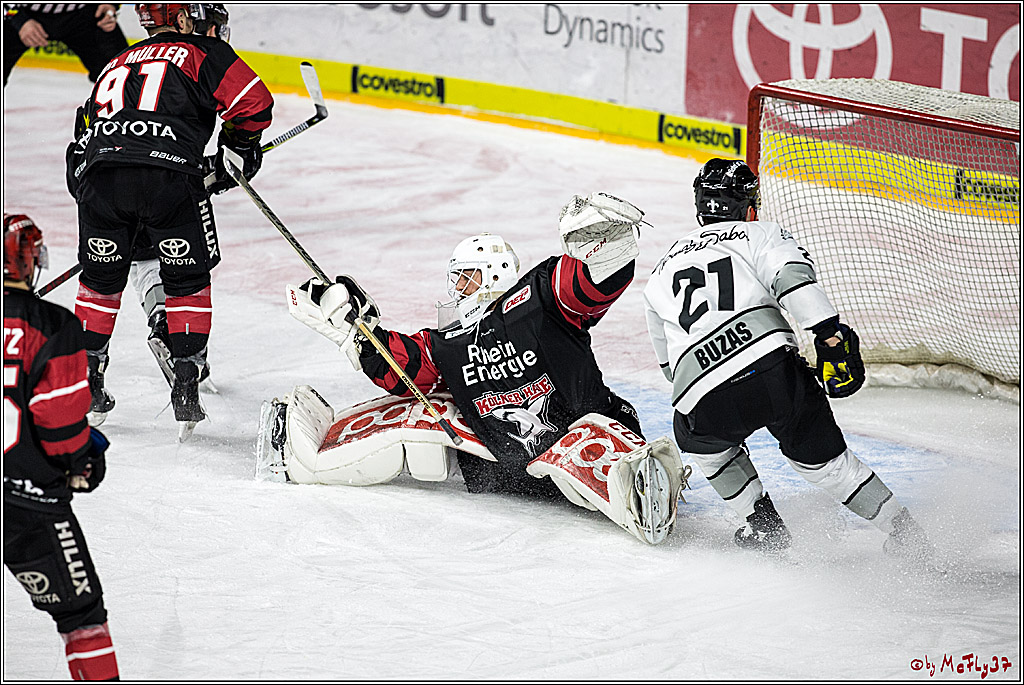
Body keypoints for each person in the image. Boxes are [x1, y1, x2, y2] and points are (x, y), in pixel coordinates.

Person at [282, 193, 687, 544]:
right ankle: (313, 451)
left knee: (581, 443)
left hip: (587, 436)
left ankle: (637, 484)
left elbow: (587, 285)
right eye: (454, 280)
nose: (458, 290)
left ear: (495, 276)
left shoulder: (538, 296)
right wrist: (360, 335)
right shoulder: (448, 343)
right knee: (430, 410)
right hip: (513, 472)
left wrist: (607, 247)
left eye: (467, 279)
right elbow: (406, 371)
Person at [642, 158, 932, 559]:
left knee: (701, 443)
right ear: (748, 206)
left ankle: (763, 528)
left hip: (702, 389)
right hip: (771, 371)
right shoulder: (759, 234)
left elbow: (668, 368)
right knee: (828, 465)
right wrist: (829, 336)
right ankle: (905, 533)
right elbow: (792, 280)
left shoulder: (659, 270)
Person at [65, 3, 272, 438]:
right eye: (209, 23)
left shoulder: (116, 61)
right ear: (184, 20)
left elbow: (82, 135)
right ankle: (186, 386)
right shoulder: (202, 52)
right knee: (188, 281)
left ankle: (89, 384)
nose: (215, 31)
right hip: (169, 183)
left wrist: (91, 181)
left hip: (101, 181)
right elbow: (253, 102)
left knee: (100, 282)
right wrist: (239, 149)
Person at [3, 213, 119, 681]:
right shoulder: (52, 326)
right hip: (25, 499)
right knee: (82, 617)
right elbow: (58, 425)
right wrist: (82, 460)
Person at [3, 3, 127, 86]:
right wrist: (17, 18)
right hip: (21, 12)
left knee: (123, 74)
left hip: (83, 12)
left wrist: (111, 4)